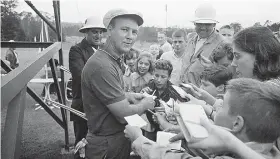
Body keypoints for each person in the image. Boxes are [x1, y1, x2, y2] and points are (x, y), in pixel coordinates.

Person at [124, 78, 280, 159]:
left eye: (220, 107)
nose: (213, 110)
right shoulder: (267, 149)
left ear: (237, 123)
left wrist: (138, 139)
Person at [81, 9, 155, 159]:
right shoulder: (102, 65)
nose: (130, 37)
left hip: (115, 139)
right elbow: (123, 115)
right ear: (109, 30)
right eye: (124, 30)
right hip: (106, 145)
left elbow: (105, 95)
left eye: (134, 32)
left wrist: (128, 96)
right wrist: (146, 104)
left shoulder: (112, 59)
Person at [68, 16, 106, 159]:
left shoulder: (102, 51)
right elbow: (81, 75)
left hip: (102, 106)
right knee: (81, 144)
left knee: (97, 144)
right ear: (86, 33)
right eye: (95, 32)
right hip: (83, 105)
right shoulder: (76, 50)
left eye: (101, 32)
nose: (99, 35)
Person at [180, 3, 224, 87]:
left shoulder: (222, 44)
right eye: (199, 24)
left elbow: (227, 74)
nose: (203, 27)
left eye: (207, 24)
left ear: (214, 24)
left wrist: (213, 67)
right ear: (194, 24)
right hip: (185, 91)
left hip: (203, 96)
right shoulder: (191, 40)